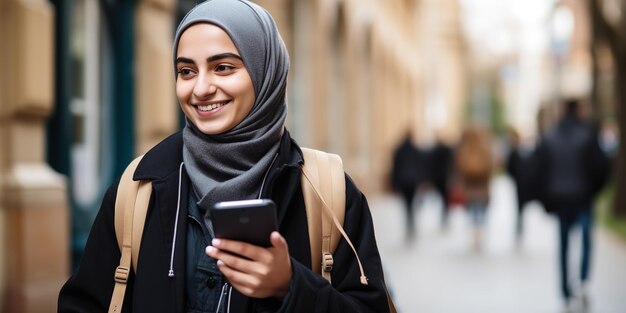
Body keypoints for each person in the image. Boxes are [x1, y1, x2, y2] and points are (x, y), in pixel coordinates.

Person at [57, 1, 391, 312]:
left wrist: (291, 285)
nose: (200, 88)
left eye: (223, 67)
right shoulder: (139, 187)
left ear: (265, 72)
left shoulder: (326, 190)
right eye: (186, 71)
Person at [535, 98, 610, 312]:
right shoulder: (588, 134)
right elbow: (601, 167)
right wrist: (594, 191)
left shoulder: (549, 136)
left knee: (564, 245)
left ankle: (565, 291)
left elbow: (540, 170)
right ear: (578, 110)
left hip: (560, 199)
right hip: (583, 197)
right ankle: (583, 282)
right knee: (586, 241)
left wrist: (547, 198)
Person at [454, 124, 493, 250]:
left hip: (470, 187)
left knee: (472, 211)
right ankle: (479, 234)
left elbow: (459, 168)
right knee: (481, 211)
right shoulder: (484, 148)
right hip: (481, 187)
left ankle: (475, 234)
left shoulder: (465, 150)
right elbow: (490, 167)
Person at [390, 131, 427, 241]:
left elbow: (395, 168)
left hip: (403, 181)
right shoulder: (416, 150)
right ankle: (412, 225)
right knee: (411, 204)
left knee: (406, 204)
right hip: (413, 182)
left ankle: (409, 225)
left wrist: (393, 183)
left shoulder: (399, 150)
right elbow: (420, 167)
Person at [504, 127, 538, 245]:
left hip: (521, 183)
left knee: (520, 207)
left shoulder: (520, 152)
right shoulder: (516, 152)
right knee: (519, 207)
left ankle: (519, 226)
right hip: (521, 183)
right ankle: (519, 226)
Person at [426, 133, 454, 230]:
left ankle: (444, 215)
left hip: (438, 178)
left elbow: (430, 166)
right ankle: (445, 215)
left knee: (441, 197)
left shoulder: (434, 151)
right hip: (446, 177)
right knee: (445, 197)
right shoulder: (448, 151)